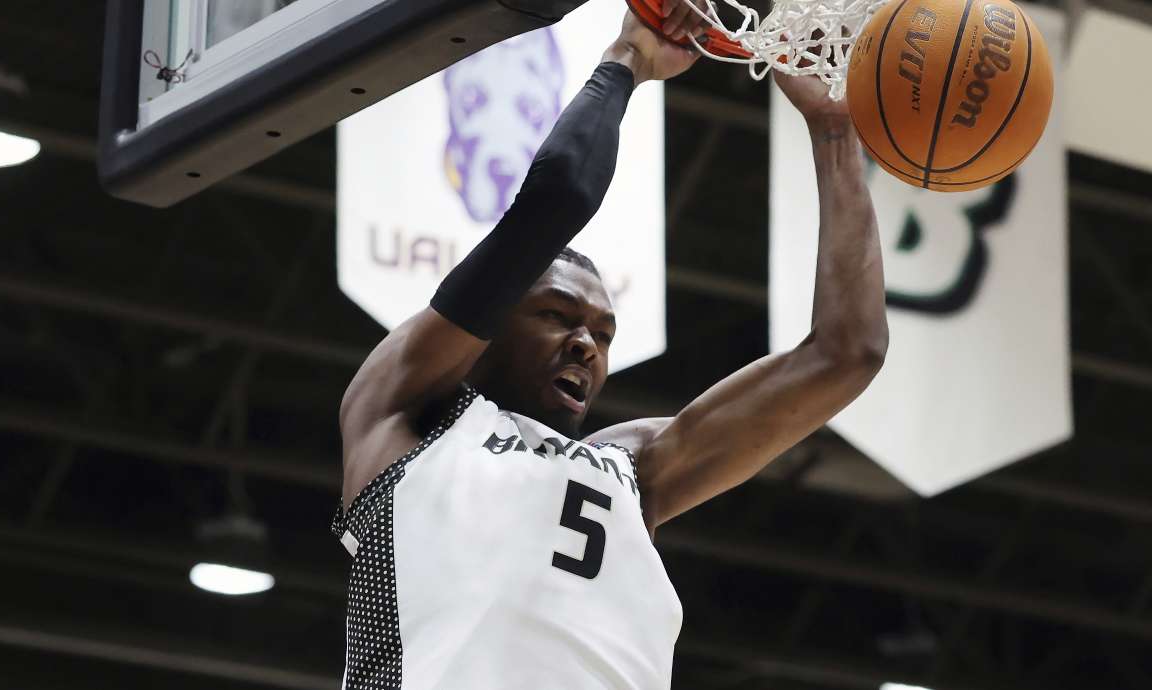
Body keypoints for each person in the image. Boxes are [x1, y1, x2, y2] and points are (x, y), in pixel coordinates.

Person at [334, 6, 887, 689]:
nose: (585, 346)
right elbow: (560, 193)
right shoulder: (405, 413)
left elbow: (846, 352)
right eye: (557, 315)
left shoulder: (631, 468)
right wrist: (629, 57)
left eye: (601, 333)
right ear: (491, 318)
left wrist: (835, 134)